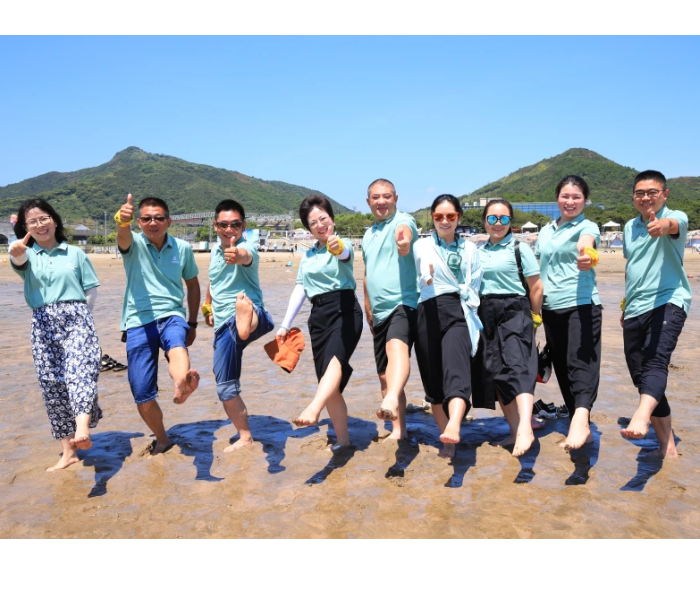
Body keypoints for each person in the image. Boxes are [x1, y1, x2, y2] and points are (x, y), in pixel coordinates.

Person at [10, 199, 102, 471]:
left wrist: (83, 317)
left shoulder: (75, 254)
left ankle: (82, 428)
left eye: (44, 218)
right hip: (42, 323)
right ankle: (68, 452)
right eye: (32, 222)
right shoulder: (27, 255)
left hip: (77, 319)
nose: (40, 225)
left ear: (54, 220)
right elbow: (19, 260)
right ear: (25, 228)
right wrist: (16, 251)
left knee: (80, 372)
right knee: (52, 384)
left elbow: (90, 290)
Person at [116, 194, 201, 456]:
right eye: (146, 218)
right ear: (139, 222)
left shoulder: (182, 248)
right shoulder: (133, 244)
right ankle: (162, 439)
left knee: (177, 345)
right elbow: (123, 237)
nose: (153, 223)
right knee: (142, 393)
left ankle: (181, 384)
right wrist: (122, 221)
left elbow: (193, 285)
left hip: (172, 314)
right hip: (137, 321)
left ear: (168, 221)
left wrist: (193, 322)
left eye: (158, 218)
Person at [277, 194, 363, 451]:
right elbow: (300, 289)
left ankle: (314, 408)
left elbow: (344, 253)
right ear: (308, 228)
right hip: (318, 317)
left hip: (345, 310)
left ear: (332, 219)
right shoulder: (308, 256)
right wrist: (284, 324)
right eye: (313, 222)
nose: (320, 225)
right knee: (329, 383)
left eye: (323, 218)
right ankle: (343, 441)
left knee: (335, 361)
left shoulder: (341, 243)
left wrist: (336, 246)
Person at [620, 171, 692, 458]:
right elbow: (633, 268)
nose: (646, 197)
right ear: (633, 196)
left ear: (665, 194)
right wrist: (625, 306)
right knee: (641, 375)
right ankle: (668, 446)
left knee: (655, 360)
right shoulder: (629, 227)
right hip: (634, 307)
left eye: (652, 192)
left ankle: (642, 415)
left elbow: (672, 226)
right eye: (640, 193)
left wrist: (662, 225)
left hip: (668, 300)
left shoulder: (675, 217)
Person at [413, 195, 482, 459]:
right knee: (433, 380)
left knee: (457, 368)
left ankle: (454, 423)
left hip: (458, 309)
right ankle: (448, 440)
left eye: (450, 216)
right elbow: (421, 269)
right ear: (432, 218)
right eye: (438, 216)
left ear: (458, 218)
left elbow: (475, 283)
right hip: (428, 309)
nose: (444, 221)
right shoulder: (422, 245)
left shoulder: (470, 249)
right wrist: (427, 276)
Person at [536, 175, 602, 452]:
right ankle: (581, 424)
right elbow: (538, 268)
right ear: (557, 198)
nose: (570, 201)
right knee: (562, 367)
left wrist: (587, 255)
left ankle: (581, 419)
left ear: (585, 200)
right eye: (565, 196)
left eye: (576, 197)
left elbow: (586, 244)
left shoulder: (588, 226)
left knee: (581, 363)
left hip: (581, 304)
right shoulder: (545, 230)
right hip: (551, 308)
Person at [202, 200, 275, 453]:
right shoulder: (214, 252)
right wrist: (207, 306)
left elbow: (245, 256)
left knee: (244, 315)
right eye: (223, 225)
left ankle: (245, 437)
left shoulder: (247, 247)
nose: (229, 229)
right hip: (225, 325)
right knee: (225, 386)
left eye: (235, 224)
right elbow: (213, 280)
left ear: (243, 226)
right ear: (215, 226)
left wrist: (237, 255)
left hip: (255, 315)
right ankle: (243, 322)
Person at [473, 200, 544, 457]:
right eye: (492, 218)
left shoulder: (520, 248)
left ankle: (525, 427)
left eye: (503, 218)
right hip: (485, 313)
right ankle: (515, 433)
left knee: (518, 367)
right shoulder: (478, 251)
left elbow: (536, 287)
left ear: (510, 222)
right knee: (497, 374)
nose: (498, 223)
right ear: (484, 221)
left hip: (515, 309)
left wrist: (534, 319)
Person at [362, 179, 420, 440]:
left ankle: (393, 398)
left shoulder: (403, 220)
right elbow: (367, 274)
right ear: (368, 202)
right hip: (378, 310)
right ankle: (399, 431)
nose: (381, 201)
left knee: (397, 349)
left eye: (387, 196)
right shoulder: (368, 235)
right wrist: (368, 306)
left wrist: (404, 243)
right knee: (385, 375)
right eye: (376, 197)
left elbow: (404, 233)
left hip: (403, 302)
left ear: (396, 198)